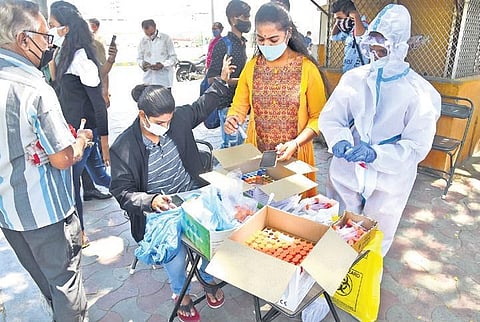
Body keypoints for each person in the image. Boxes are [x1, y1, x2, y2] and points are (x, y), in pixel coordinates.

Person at [109, 55, 234, 322]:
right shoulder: (124, 147)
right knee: (174, 247)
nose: (165, 126)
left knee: (218, 228)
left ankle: (208, 276)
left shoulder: (177, 120)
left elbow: (203, 105)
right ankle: (181, 292)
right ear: (143, 116)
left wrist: (221, 81)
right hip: (159, 209)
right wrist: (151, 201)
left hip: (191, 194)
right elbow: (122, 192)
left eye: (169, 120)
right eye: (160, 122)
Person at [319, 4, 441, 258]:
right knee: (338, 229)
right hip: (347, 169)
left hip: (390, 178)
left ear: (399, 46)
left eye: (381, 47)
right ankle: (333, 278)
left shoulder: (421, 92)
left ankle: (360, 285)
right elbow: (332, 118)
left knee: (376, 238)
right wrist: (339, 140)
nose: (375, 53)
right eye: (371, 47)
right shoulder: (354, 79)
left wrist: (377, 154)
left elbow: (416, 146)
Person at [0, 1, 93, 320]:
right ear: (24, 39)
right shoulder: (34, 89)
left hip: (10, 215)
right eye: (45, 36)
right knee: (66, 289)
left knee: (48, 285)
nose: (50, 43)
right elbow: (64, 158)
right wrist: (80, 140)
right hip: (47, 215)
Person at [224, 2, 326, 197]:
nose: (266, 45)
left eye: (273, 39)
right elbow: (239, 105)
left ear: (288, 33)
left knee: (293, 215)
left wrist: (296, 143)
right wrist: (233, 118)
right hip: (258, 156)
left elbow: (318, 117)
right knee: (261, 212)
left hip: (296, 158)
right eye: (260, 39)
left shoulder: (307, 69)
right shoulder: (252, 67)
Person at [48, 1, 110, 247]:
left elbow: (98, 103)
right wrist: (52, 62)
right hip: (74, 130)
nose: (52, 30)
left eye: (54, 26)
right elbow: (59, 89)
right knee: (102, 177)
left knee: (73, 183)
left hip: (84, 133)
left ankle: (80, 234)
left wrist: (105, 144)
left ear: (67, 26)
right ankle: (139, 196)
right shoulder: (64, 52)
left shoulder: (82, 57)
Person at [206, 0, 251, 148]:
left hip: (240, 104)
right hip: (226, 104)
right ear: (233, 18)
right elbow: (212, 79)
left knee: (238, 146)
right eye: (245, 17)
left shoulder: (242, 43)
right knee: (231, 147)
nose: (248, 21)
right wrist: (241, 81)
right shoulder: (223, 44)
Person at [137, 19, 177, 89]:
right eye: (147, 34)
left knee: (165, 100)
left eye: (151, 33)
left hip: (163, 81)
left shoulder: (166, 39)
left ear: (155, 27)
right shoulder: (143, 41)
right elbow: (139, 58)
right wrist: (142, 64)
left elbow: (173, 58)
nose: (150, 36)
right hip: (148, 81)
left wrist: (163, 65)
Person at [330, 0, 369, 72]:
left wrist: (356, 16)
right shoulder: (348, 29)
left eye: (340, 18)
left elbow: (360, 36)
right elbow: (334, 37)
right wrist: (337, 21)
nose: (339, 22)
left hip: (360, 72)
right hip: (348, 71)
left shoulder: (364, 27)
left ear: (351, 15)